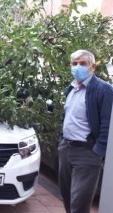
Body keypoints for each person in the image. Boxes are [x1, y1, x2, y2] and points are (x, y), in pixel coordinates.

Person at [58, 49, 113, 213]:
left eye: (83, 63)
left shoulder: (103, 90)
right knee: (67, 198)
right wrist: (61, 140)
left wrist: (98, 152)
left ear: (93, 66)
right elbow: (67, 117)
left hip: (87, 153)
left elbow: (107, 123)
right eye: (74, 64)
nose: (77, 67)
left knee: (79, 203)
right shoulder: (71, 88)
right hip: (66, 149)